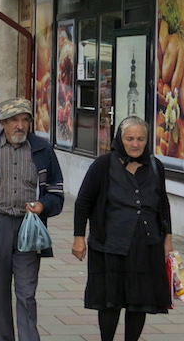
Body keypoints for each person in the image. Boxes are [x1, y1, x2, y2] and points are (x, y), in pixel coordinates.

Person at [0, 98, 64, 341]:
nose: (20, 125)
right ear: (2, 122)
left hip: (29, 229)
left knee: (26, 293)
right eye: (14, 120)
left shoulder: (42, 150)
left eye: (25, 119)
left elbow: (57, 194)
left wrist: (43, 205)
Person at [72, 116, 172, 341]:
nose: (135, 144)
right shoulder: (103, 165)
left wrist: (168, 237)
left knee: (139, 302)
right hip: (110, 245)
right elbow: (83, 202)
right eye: (129, 139)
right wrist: (79, 237)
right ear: (120, 139)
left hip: (146, 245)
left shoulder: (156, 167)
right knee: (110, 301)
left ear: (147, 141)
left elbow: (162, 203)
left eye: (140, 139)